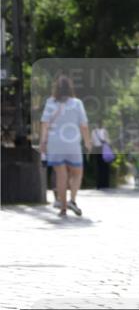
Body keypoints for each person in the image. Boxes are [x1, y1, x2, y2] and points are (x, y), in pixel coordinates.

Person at [39, 75, 93, 216]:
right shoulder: (77, 103)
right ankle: (72, 200)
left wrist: (43, 142)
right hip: (72, 144)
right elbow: (84, 125)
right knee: (77, 172)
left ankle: (63, 208)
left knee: (61, 175)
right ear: (70, 88)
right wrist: (87, 142)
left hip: (54, 144)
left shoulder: (50, 102)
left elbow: (44, 124)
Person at [90, 119, 112, 190]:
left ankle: (100, 184)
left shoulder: (94, 131)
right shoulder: (104, 131)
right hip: (102, 149)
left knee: (99, 167)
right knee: (103, 167)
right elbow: (108, 140)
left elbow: (92, 142)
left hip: (98, 149)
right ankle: (104, 184)